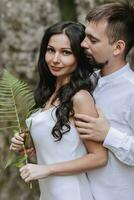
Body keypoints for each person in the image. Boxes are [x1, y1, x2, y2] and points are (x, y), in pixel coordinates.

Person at [10, 21, 107, 200]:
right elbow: (61, 149)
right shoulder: (48, 94)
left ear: (79, 56)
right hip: (49, 193)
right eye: (50, 50)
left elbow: (99, 157)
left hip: (72, 193)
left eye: (66, 53)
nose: (55, 59)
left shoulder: (80, 97)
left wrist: (47, 170)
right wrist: (27, 146)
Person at [74, 1, 134, 200]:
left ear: (118, 47)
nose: (83, 44)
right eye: (85, 36)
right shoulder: (85, 82)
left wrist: (108, 134)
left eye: (92, 39)